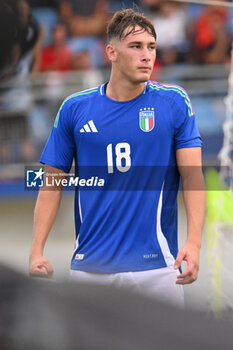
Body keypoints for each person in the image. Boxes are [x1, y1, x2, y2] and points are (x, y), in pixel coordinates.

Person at [29, 8, 206, 307]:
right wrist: (36, 250)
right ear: (111, 52)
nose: (146, 55)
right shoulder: (74, 108)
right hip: (91, 268)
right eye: (136, 47)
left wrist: (194, 241)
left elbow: (193, 176)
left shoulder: (174, 102)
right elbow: (50, 184)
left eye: (151, 47)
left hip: (159, 268)